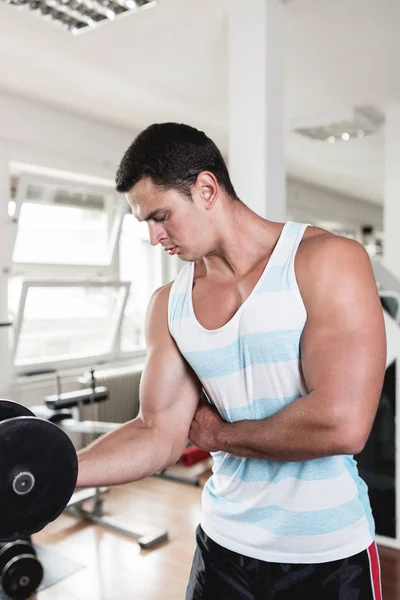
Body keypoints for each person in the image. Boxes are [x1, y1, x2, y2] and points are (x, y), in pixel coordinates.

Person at [77, 123, 386, 599]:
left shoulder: (326, 261)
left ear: (205, 188)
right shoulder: (169, 304)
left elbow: (342, 425)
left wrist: (218, 434)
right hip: (224, 545)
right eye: (145, 224)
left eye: (161, 216)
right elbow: (156, 432)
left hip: (325, 552)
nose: (155, 237)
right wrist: (56, 473)